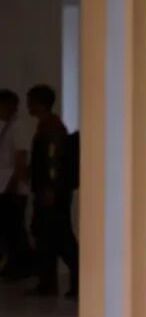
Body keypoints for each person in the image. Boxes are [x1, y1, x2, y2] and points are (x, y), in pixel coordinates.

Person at [26, 84, 78, 298]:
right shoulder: (47, 126)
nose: (28, 105)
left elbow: (52, 162)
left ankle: (77, 282)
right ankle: (47, 283)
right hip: (49, 190)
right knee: (46, 237)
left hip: (52, 192)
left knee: (61, 238)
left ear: (40, 103)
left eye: (31, 101)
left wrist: (50, 189)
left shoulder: (52, 128)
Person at [0, 88, 34, 280]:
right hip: (5, 185)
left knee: (14, 229)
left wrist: (13, 185)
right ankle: (14, 265)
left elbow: (21, 157)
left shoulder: (18, 127)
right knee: (9, 229)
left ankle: (21, 266)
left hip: (13, 187)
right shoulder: (7, 126)